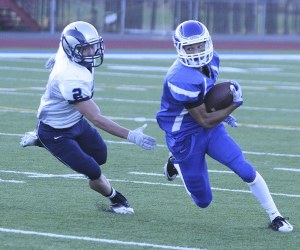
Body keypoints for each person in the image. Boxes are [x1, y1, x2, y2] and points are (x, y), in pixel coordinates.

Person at [156, 20, 293, 232]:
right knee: (203, 201)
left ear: (208, 42)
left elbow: (208, 99)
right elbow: (204, 119)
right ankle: (176, 163)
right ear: (179, 48)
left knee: (244, 169)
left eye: (200, 45)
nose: (196, 52)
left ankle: (275, 216)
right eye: (189, 48)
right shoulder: (179, 78)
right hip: (184, 135)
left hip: (209, 130)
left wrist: (220, 107)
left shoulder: (214, 60)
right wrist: (233, 106)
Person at [20, 21, 156, 215]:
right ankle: (117, 200)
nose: (92, 51)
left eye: (92, 45)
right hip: (55, 131)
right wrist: (131, 135)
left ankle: (38, 140)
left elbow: (63, 48)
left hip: (75, 121)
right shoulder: (71, 77)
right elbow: (96, 118)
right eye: (85, 48)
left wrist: (56, 58)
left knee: (101, 156)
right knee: (93, 171)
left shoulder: (67, 50)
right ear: (72, 50)